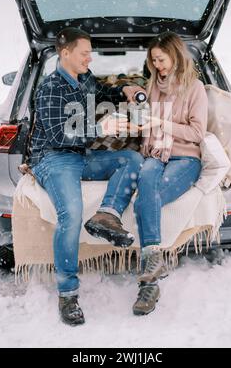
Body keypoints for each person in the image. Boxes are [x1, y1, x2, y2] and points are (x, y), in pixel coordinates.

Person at [29, 27, 144, 326]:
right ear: (65, 52)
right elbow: (57, 135)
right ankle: (68, 293)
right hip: (53, 158)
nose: (89, 58)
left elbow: (101, 93)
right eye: (84, 53)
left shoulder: (84, 77)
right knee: (72, 214)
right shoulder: (50, 87)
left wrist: (124, 90)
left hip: (81, 155)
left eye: (90, 53)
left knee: (131, 158)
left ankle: (105, 216)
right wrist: (100, 130)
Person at [132, 32, 208, 316]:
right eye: (153, 60)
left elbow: (198, 133)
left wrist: (162, 124)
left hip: (185, 157)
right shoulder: (152, 85)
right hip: (154, 154)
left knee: (144, 202)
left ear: (175, 56)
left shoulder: (195, 88)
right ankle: (154, 266)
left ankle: (148, 285)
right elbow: (145, 126)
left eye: (161, 59)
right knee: (146, 192)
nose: (158, 65)